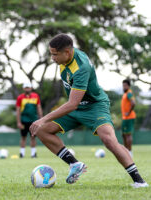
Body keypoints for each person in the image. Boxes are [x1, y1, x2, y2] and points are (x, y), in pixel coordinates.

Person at [30, 34, 148, 188]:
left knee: (109, 140)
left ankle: (139, 181)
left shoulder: (81, 68)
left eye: (54, 54)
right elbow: (73, 103)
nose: (52, 58)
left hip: (94, 106)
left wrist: (42, 119)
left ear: (67, 52)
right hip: (76, 106)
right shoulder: (65, 57)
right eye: (51, 53)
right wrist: (42, 123)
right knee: (42, 130)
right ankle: (74, 164)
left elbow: (72, 104)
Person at [16, 82, 43, 158]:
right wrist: (18, 122)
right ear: (24, 88)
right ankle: (22, 153)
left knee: (33, 136)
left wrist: (41, 119)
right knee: (23, 137)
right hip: (23, 120)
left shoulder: (35, 96)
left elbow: (38, 107)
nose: (27, 89)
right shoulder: (20, 97)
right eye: (26, 87)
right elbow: (18, 110)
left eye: (28, 87)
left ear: (31, 88)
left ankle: (33, 154)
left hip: (33, 120)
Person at [121, 79, 136, 157]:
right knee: (123, 134)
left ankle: (130, 152)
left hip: (129, 117)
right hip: (125, 117)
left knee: (128, 134)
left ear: (129, 86)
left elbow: (133, 103)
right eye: (123, 85)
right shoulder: (125, 94)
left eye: (125, 85)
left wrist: (128, 112)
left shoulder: (129, 93)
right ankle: (126, 151)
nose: (124, 87)